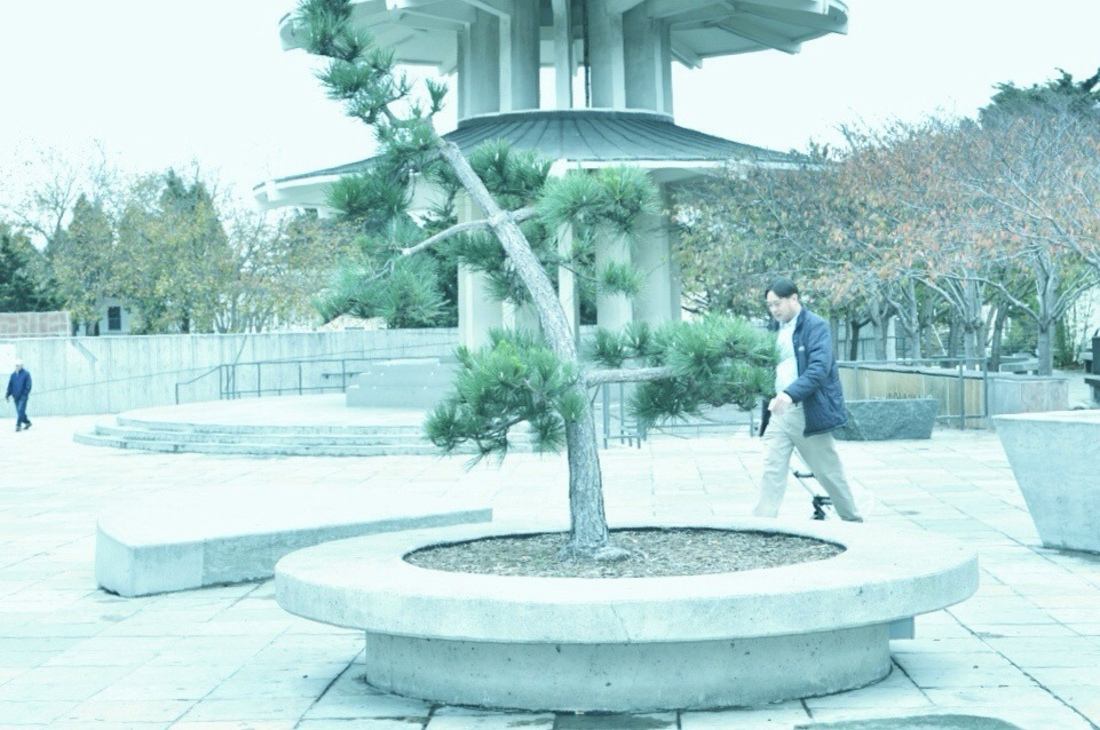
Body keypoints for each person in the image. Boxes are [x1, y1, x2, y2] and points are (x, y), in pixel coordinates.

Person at [755, 278, 862, 522]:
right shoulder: (773, 329)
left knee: (828, 471)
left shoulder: (816, 326)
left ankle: (853, 520)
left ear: (794, 298)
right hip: (778, 412)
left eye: (777, 303)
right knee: (772, 468)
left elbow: (819, 369)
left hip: (805, 411)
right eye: (770, 305)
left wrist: (789, 394)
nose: (773, 310)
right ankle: (762, 523)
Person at [6, 358, 32, 432]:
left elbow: (28, 385)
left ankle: (18, 425)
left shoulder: (26, 374)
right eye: (16, 365)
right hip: (15, 396)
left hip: (23, 397)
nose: (17, 367)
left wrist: (25, 394)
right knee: (20, 412)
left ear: (21, 366)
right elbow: (10, 385)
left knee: (20, 410)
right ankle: (27, 422)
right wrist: (7, 394)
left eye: (18, 365)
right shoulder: (13, 375)